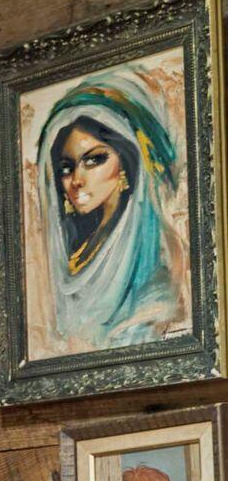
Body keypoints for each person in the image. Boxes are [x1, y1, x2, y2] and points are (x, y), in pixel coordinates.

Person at [36, 69, 186, 351]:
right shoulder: (73, 253)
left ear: (126, 165)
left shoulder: (154, 280)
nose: (76, 180)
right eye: (66, 168)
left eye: (94, 160)